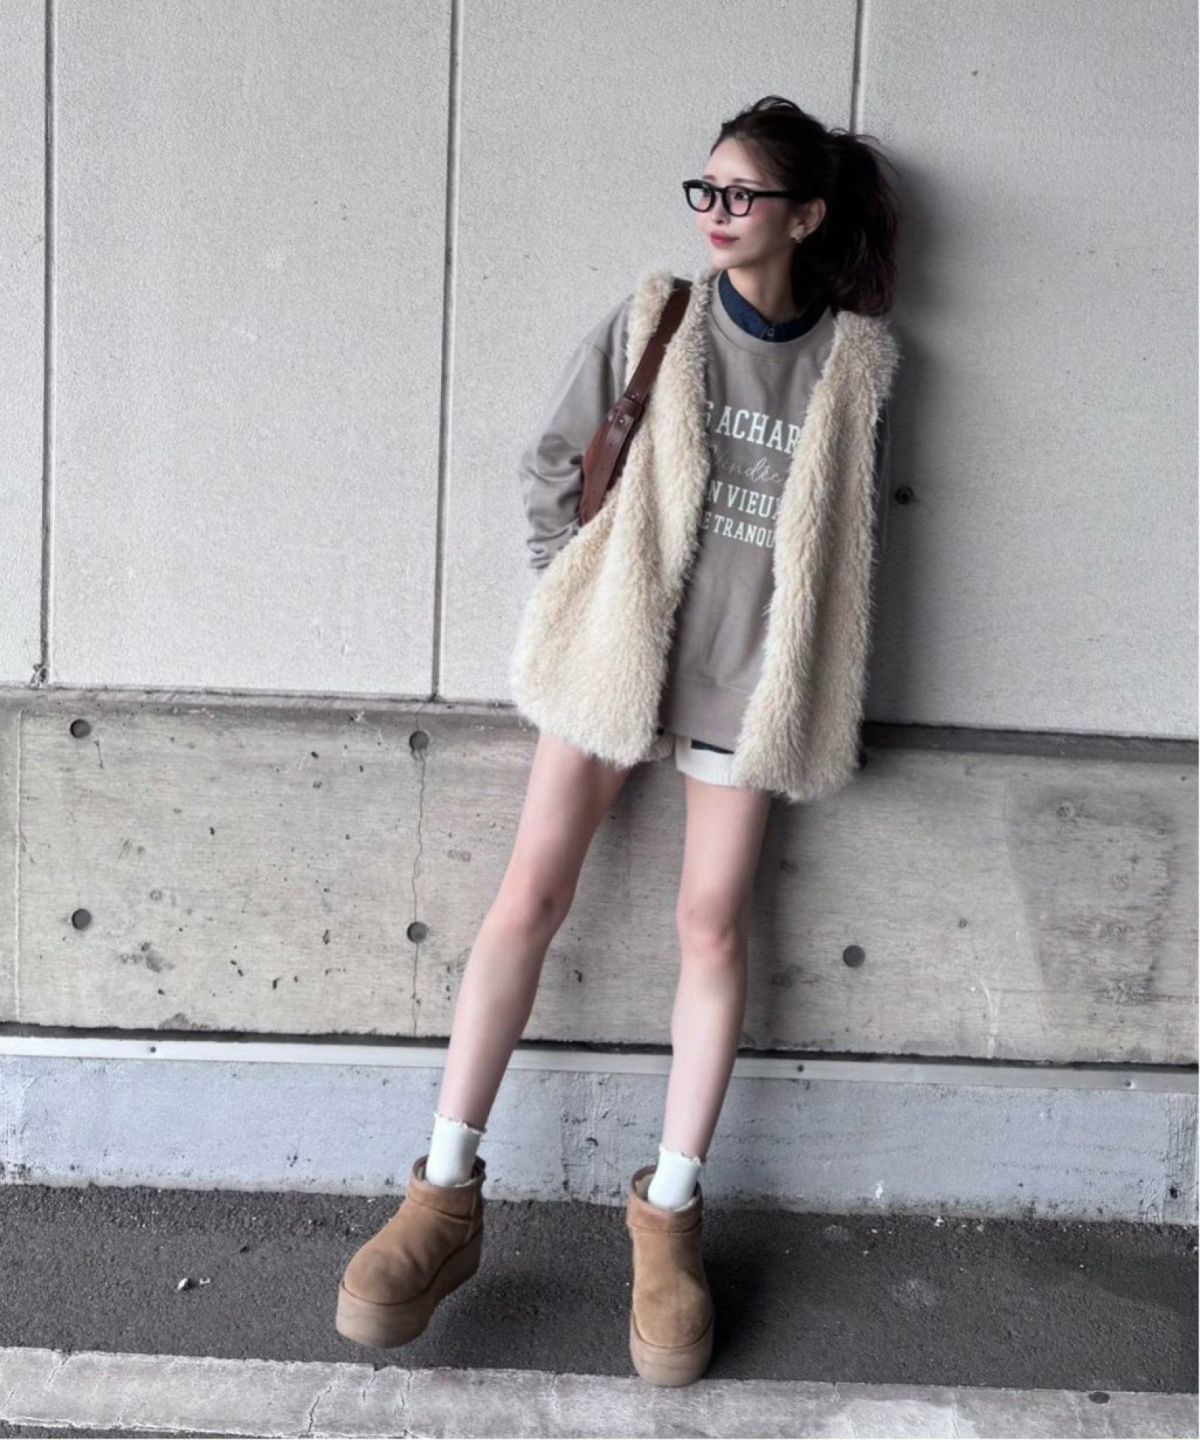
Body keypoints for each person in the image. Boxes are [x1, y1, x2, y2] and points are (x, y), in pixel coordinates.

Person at [335, 95, 901, 1388]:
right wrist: (575, 592)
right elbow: (553, 461)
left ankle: (672, 1215)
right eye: (704, 190)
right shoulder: (659, 318)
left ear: (806, 217)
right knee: (530, 895)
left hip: (750, 689)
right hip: (614, 664)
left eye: (741, 195)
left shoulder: (855, 364)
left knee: (712, 927)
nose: (715, 213)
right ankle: (442, 1194)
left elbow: (858, 547)